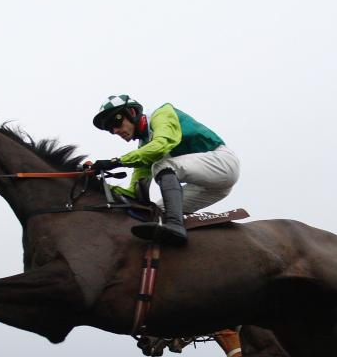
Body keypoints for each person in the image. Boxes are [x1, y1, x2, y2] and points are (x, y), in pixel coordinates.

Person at [89, 94, 240, 246]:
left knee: (161, 166)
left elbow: (162, 144)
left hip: (222, 163)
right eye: (110, 129)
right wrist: (97, 185)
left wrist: (116, 162)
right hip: (213, 188)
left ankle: (175, 226)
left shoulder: (161, 114)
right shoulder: (144, 148)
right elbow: (135, 192)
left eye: (116, 122)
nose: (115, 131)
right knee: (158, 212)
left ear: (132, 113)